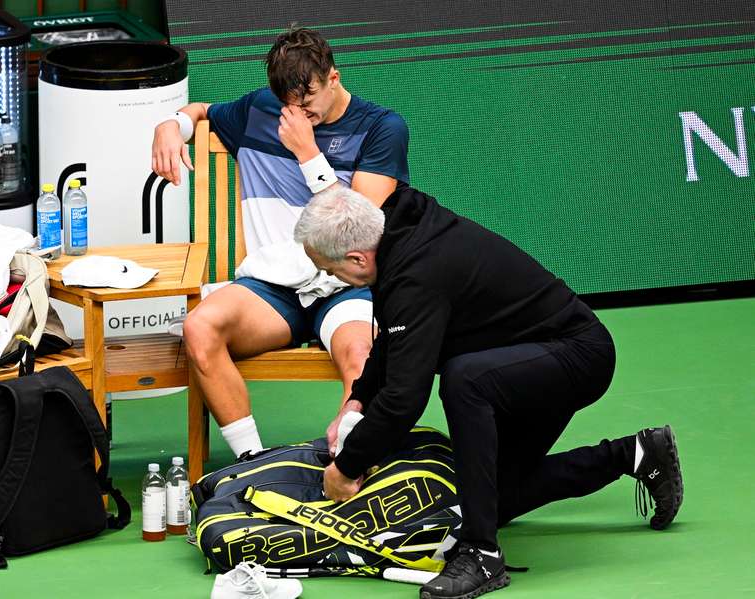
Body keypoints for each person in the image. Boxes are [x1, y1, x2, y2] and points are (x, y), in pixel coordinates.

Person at [293, 186, 684, 599]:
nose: (330, 278)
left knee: (465, 380)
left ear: (357, 257)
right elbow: (394, 341)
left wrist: (347, 467)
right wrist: (356, 400)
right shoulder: (394, 236)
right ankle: (636, 454)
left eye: (330, 270)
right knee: (495, 499)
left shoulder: (416, 273)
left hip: (575, 357)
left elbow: (405, 400)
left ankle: (481, 555)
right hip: (520, 359)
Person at [151, 27, 409, 457]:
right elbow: (201, 110)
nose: (296, 116)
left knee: (363, 355)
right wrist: (171, 124)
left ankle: (352, 461)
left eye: (307, 104)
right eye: (289, 105)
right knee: (200, 326)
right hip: (273, 293)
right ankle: (254, 462)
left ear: (333, 78)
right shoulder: (259, 110)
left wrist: (309, 155)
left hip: (346, 286)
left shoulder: (382, 128)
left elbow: (357, 228)